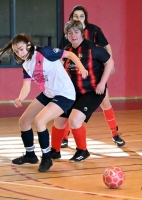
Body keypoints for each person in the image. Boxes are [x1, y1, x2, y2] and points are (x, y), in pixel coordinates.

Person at [0, 33, 88, 172]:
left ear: (28, 45)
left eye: (21, 49)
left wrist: (81, 68)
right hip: (49, 93)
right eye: (16, 51)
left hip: (64, 94)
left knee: (40, 121)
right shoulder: (26, 64)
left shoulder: (44, 52)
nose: (19, 53)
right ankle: (30, 155)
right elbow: (26, 86)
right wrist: (20, 98)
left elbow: (70, 55)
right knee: (24, 121)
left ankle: (47, 158)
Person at [58, 5, 125, 148]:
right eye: (75, 16)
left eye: (81, 16)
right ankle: (64, 137)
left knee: (105, 103)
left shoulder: (94, 31)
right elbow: (61, 57)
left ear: (85, 18)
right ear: (71, 18)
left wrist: (110, 62)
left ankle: (115, 134)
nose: (78, 19)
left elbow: (107, 46)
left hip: (95, 76)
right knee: (71, 108)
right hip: (75, 79)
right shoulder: (68, 36)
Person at [50, 20, 114, 162]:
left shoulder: (93, 48)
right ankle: (54, 151)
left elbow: (109, 62)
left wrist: (102, 83)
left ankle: (82, 151)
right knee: (59, 119)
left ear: (82, 33)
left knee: (74, 119)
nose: (73, 35)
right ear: (67, 35)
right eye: (70, 33)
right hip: (72, 93)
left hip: (92, 92)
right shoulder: (67, 51)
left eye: (76, 32)